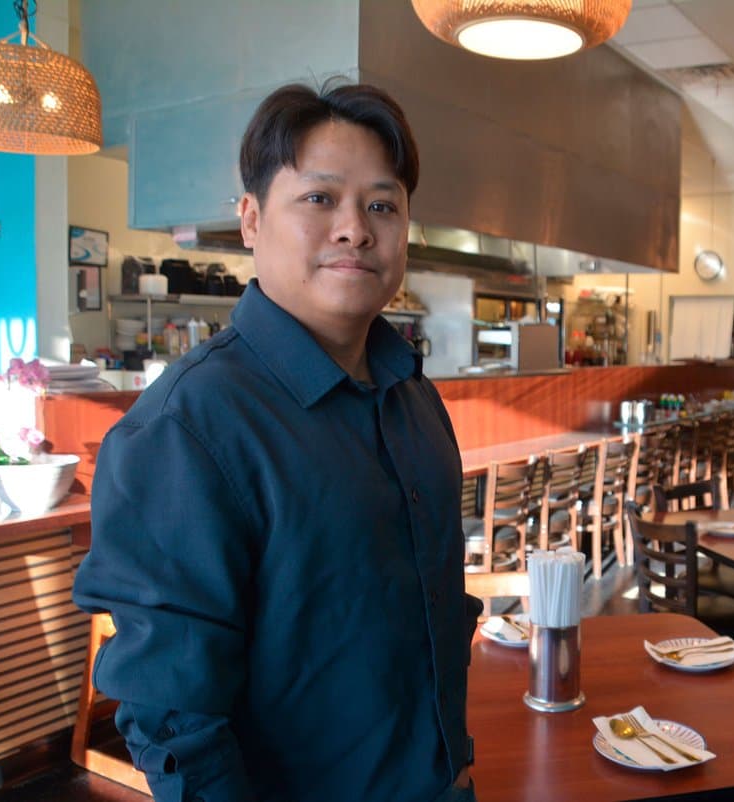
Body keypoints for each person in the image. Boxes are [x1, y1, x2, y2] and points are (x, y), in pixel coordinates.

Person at [73, 80, 480, 802]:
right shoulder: (189, 427)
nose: (355, 229)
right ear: (252, 219)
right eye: (320, 199)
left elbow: (430, 610)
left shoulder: (412, 396)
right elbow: (175, 722)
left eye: (381, 205)